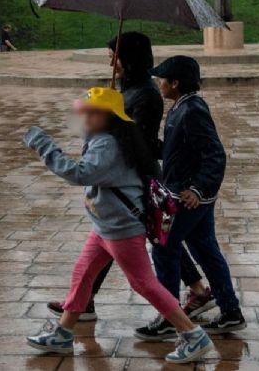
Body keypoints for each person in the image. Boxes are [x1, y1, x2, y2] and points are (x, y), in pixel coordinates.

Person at [23, 87, 213, 363]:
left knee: (144, 283)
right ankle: (63, 333)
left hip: (121, 229)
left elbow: (80, 173)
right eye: (83, 112)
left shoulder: (109, 145)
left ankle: (193, 335)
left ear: (109, 116)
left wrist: (43, 145)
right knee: (83, 274)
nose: (84, 118)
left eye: (91, 113)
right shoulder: (109, 138)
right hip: (104, 227)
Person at [46, 33, 215, 333]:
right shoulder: (127, 89)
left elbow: (140, 141)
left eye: (116, 55)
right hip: (116, 179)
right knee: (119, 241)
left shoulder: (147, 95)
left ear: (131, 58)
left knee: (154, 245)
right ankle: (83, 304)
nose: (111, 61)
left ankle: (191, 320)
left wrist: (109, 125)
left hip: (135, 179)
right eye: (109, 54)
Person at [138, 56, 246, 337]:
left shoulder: (192, 110)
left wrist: (198, 189)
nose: (158, 83)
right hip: (188, 194)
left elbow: (215, 154)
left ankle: (169, 316)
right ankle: (231, 311)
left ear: (175, 82)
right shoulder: (180, 107)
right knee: (206, 250)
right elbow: (179, 150)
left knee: (164, 249)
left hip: (188, 198)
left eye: (162, 78)